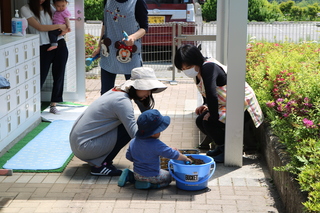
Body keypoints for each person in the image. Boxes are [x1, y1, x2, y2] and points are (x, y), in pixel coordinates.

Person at [174, 44, 264, 163]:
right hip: (228, 104)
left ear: (197, 60)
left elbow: (212, 94)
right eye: (183, 69)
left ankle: (228, 150)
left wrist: (212, 114)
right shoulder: (198, 72)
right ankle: (222, 147)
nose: (187, 71)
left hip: (242, 106)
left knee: (208, 122)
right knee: (200, 120)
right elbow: (207, 95)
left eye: (189, 67)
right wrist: (206, 106)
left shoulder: (208, 68)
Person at [69, 67, 167, 176]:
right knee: (129, 130)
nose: (149, 94)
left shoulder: (117, 91)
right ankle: (99, 166)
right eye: (147, 89)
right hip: (85, 147)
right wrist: (158, 150)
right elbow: (135, 135)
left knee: (128, 126)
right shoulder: (122, 102)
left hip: (80, 143)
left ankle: (98, 159)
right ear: (136, 86)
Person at [118, 109, 192, 189]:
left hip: (137, 174)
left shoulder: (133, 141)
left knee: (141, 177)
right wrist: (185, 158)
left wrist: (141, 159)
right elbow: (173, 154)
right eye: (159, 130)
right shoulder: (156, 144)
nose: (160, 132)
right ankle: (151, 185)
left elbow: (128, 156)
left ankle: (130, 176)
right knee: (170, 176)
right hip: (153, 176)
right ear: (153, 133)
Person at [21, 0, 69, 114]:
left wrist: (63, 28)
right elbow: (40, 27)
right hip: (42, 46)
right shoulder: (25, 9)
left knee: (59, 76)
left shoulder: (51, 7)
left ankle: (54, 104)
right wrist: (59, 26)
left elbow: (64, 24)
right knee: (40, 76)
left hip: (60, 44)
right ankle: (33, 106)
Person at [91, 0, 148, 96]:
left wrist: (133, 37)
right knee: (105, 94)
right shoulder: (107, 1)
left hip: (130, 52)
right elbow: (105, 24)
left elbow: (144, 27)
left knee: (137, 92)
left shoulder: (137, 2)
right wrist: (99, 46)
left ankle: (148, 111)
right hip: (108, 53)